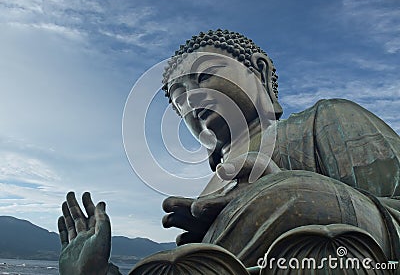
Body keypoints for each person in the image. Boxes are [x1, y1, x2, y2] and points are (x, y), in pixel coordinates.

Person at [58, 29, 400, 274]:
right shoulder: (206, 196)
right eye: (179, 99)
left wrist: (287, 190)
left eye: (205, 77)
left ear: (259, 72)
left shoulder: (325, 121)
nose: (190, 100)